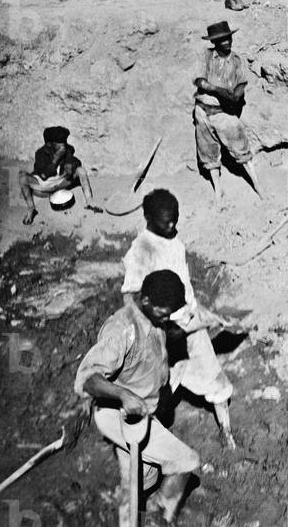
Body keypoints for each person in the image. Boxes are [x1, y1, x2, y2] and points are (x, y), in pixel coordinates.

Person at [75, 269, 201, 526]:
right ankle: (160, 518)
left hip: (144, 415)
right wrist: (124, 395)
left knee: (140, 481)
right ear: (145, 301)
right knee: (186, 461)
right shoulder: (122, 330)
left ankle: (130, 515)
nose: (167, 318)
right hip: (119, 415)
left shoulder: (154, 319)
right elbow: (88, 379)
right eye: (164, 312)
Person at [122, 188, 237, 448]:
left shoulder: (173, 238)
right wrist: (157, 331)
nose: (172, 225)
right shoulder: (141, 251)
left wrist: (203, 314)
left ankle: (226, 431)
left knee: (215, 380)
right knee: (157, 393)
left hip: (189, 323)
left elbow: (185, 287)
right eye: (166, 221)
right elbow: (132, 298)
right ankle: (146, 446)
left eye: (175, 218)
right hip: (164, 332)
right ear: (149, 218)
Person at [193, 20, 262, 198]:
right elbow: (199, 81)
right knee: (208, 151)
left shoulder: (237, 61)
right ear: (214, 42)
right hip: (202, 111)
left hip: (223, 112)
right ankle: (218, 190)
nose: (227, 42)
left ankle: (257, 184)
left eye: (228, 37)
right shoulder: (206, 56)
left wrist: (234, 95)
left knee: (240, 147)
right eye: (222, 39)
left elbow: (240, 85)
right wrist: (218, 90)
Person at [18, 125, 94, 225]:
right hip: (45, 186)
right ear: (49, 144)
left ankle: (89, 201)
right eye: (59, 143)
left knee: (81, 170)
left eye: (64, 142)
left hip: (62, 183)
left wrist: (71, 164)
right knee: (22, 177)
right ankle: (31, 209)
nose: (63, 146)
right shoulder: (40, 154)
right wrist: (56, 158)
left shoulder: (67, 149)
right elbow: (44, 175)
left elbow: (76, 161)